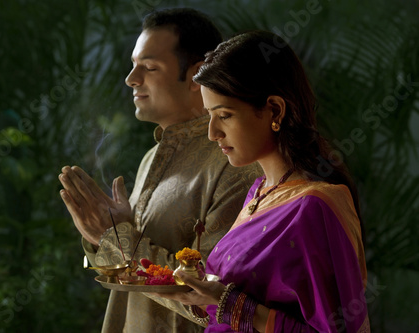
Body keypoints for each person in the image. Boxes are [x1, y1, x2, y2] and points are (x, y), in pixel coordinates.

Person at [58, 8, 262, 333]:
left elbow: (214, 300)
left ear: (198, 75)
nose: (131, 79)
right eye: (133, 65)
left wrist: (116, 239)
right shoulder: (150, 158)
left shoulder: (235, 162)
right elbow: (123, 265)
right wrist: (100, 238)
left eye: (149, 67)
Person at [154, 30, 370, 332]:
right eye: (209, 116)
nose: (212, 133)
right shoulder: (259, 192)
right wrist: (203, 295)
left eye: (225, 115)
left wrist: (231, 304)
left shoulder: (315, 206)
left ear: (275, 110)